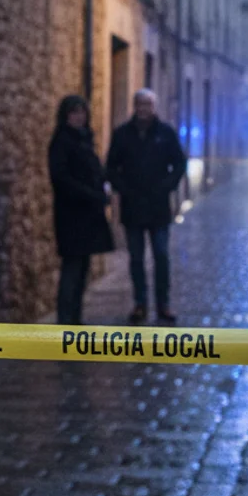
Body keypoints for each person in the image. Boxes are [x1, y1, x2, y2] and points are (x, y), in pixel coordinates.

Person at [106, 88, 187, 325]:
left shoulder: (166, 133)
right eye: (140, 104)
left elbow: (179, 163)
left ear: (154, 107)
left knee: (161, 255)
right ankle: (140, 303)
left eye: (148, 104)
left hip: (158, 207)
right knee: (136, 259)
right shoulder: (122, 134)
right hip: (132, 207)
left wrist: (167, 186)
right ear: (135, 106)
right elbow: (111, 167)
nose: (143, 109)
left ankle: (163, 304)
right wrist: (123, 188)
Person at [48, 95, 115, 326]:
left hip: (87, 215)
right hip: (71, 215)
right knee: (72, 267)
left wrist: (103, 186)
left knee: (82, 267)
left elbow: (94, 171)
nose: (79, 117)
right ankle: (65, 320)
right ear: (66, 115)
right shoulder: (62, 142)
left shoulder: (84, 140)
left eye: (82, 112)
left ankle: (75, 318)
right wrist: (91, 194)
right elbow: (61, 178)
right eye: (74, 112)